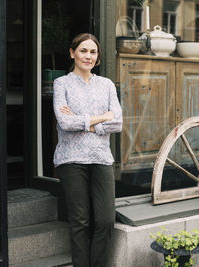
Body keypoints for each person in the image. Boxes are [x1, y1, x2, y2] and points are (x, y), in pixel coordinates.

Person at [53, 33, 122, 267]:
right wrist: (102, 117)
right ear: (72, 53)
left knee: (104, 220)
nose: (88, 56)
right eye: (83, 50)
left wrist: (84, 122)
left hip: (101, 158)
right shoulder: (61, 84)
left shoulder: (106, 85)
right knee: (80, 221)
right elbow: (65, 123)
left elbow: (118, 123)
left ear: (98, 57)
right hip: (71, 159)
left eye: (93, 52)